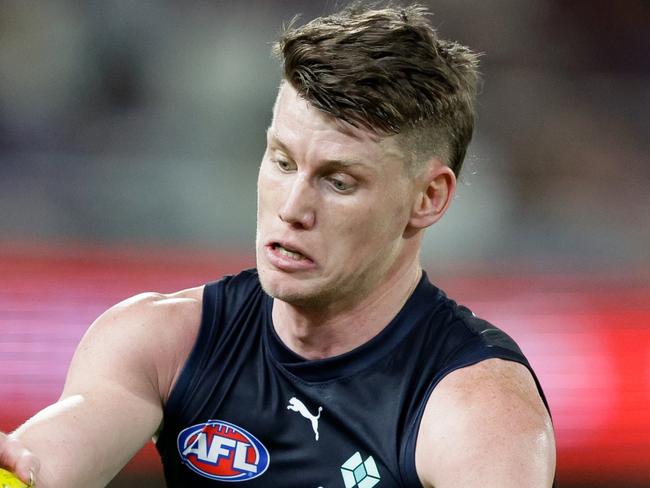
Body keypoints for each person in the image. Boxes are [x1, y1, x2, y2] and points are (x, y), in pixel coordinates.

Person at [0, 3, 556, 487]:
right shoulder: (164, 342)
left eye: (339, 181)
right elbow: (39, 465)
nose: (293, 207)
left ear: (428, 198)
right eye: (282, 161)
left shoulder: (478, 412)